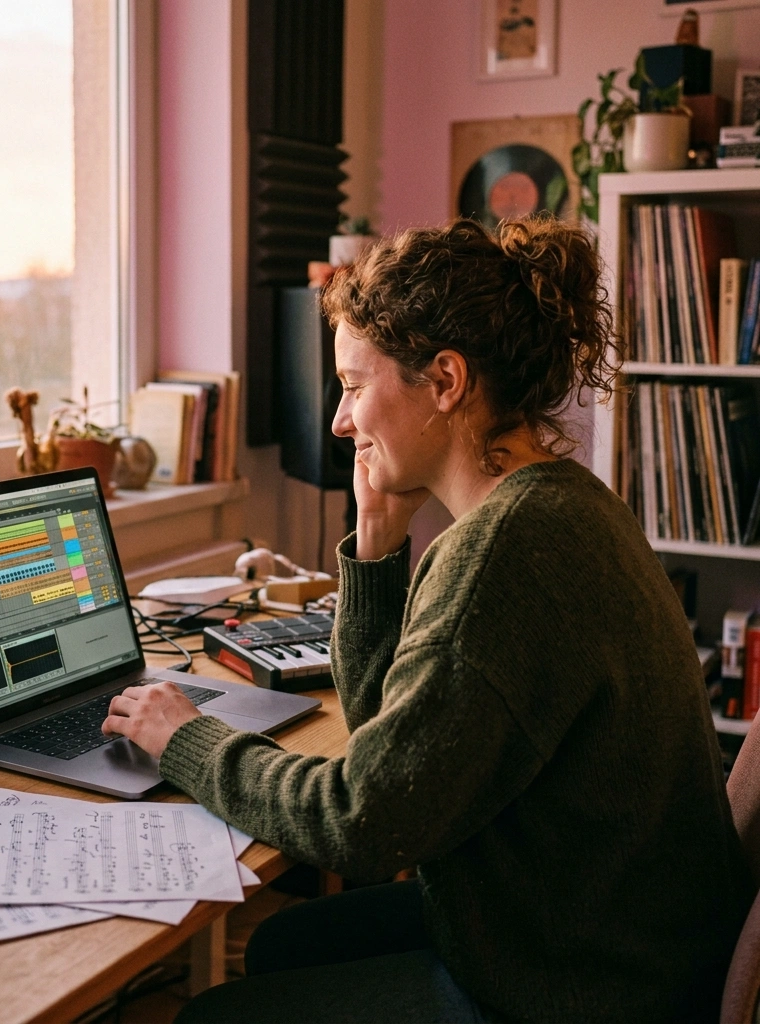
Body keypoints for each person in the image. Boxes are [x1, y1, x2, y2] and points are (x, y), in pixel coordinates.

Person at [101, 217, 754, 1022]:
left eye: (351, 385)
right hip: (603, 928)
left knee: (209, 1017)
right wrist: (376, 543)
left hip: (590, 985)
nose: (340, 422)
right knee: (279, 946)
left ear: (445, 382)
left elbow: (361, 826)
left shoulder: (504, 555)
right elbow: (400, 750)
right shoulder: (560, 500)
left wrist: (184, 739)